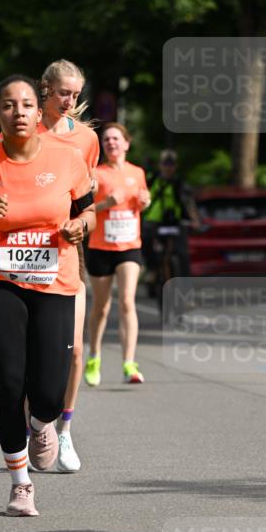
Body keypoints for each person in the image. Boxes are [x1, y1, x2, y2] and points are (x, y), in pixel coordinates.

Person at [0, 75, 95, 516]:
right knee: (10, 385)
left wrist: (79, 226)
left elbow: (88, 209)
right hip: (0, 284)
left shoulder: (68, 159)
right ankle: (20, 484)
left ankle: (42, 424)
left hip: (55, 282)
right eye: (9, 106)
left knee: (50, 392)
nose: (19, 113)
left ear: (40, 111)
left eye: (27, 105)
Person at [37, 59, 99, 472]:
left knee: (73, 349)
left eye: (75, 94)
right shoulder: (23, 130)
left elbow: (86, 200)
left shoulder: (87, 139)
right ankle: (35, 425)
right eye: (63, 92)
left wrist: (81, 224)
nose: (70, 101)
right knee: (33, 352)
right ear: (45, 89)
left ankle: (65, 430)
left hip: (69, 251)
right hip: (27, 249)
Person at [84, 123, 150, 386]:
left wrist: (145, 203)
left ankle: (129, 364)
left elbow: (141, 202)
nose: (111, 143)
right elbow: (85, 210)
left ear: (126, 143)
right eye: (106, 139)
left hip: (129, 246)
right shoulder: (95, 174)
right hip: (100, 247)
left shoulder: (138, 172)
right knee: (102, 307)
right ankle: (94, 356)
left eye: (115, 138)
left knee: (126, 301)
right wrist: (106, 204)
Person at [142, 149, 199, 280]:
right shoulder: (153, 179)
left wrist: (194, 220)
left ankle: (185, 285)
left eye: (171, 164)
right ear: (160, 165)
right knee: (146, 241)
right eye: (165, 164)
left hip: (176, 221)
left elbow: (189, 202)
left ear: (175, 166)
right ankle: (152, 269)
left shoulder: (180, 182)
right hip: (154, 220)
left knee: (183, 254)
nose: (168, 167)